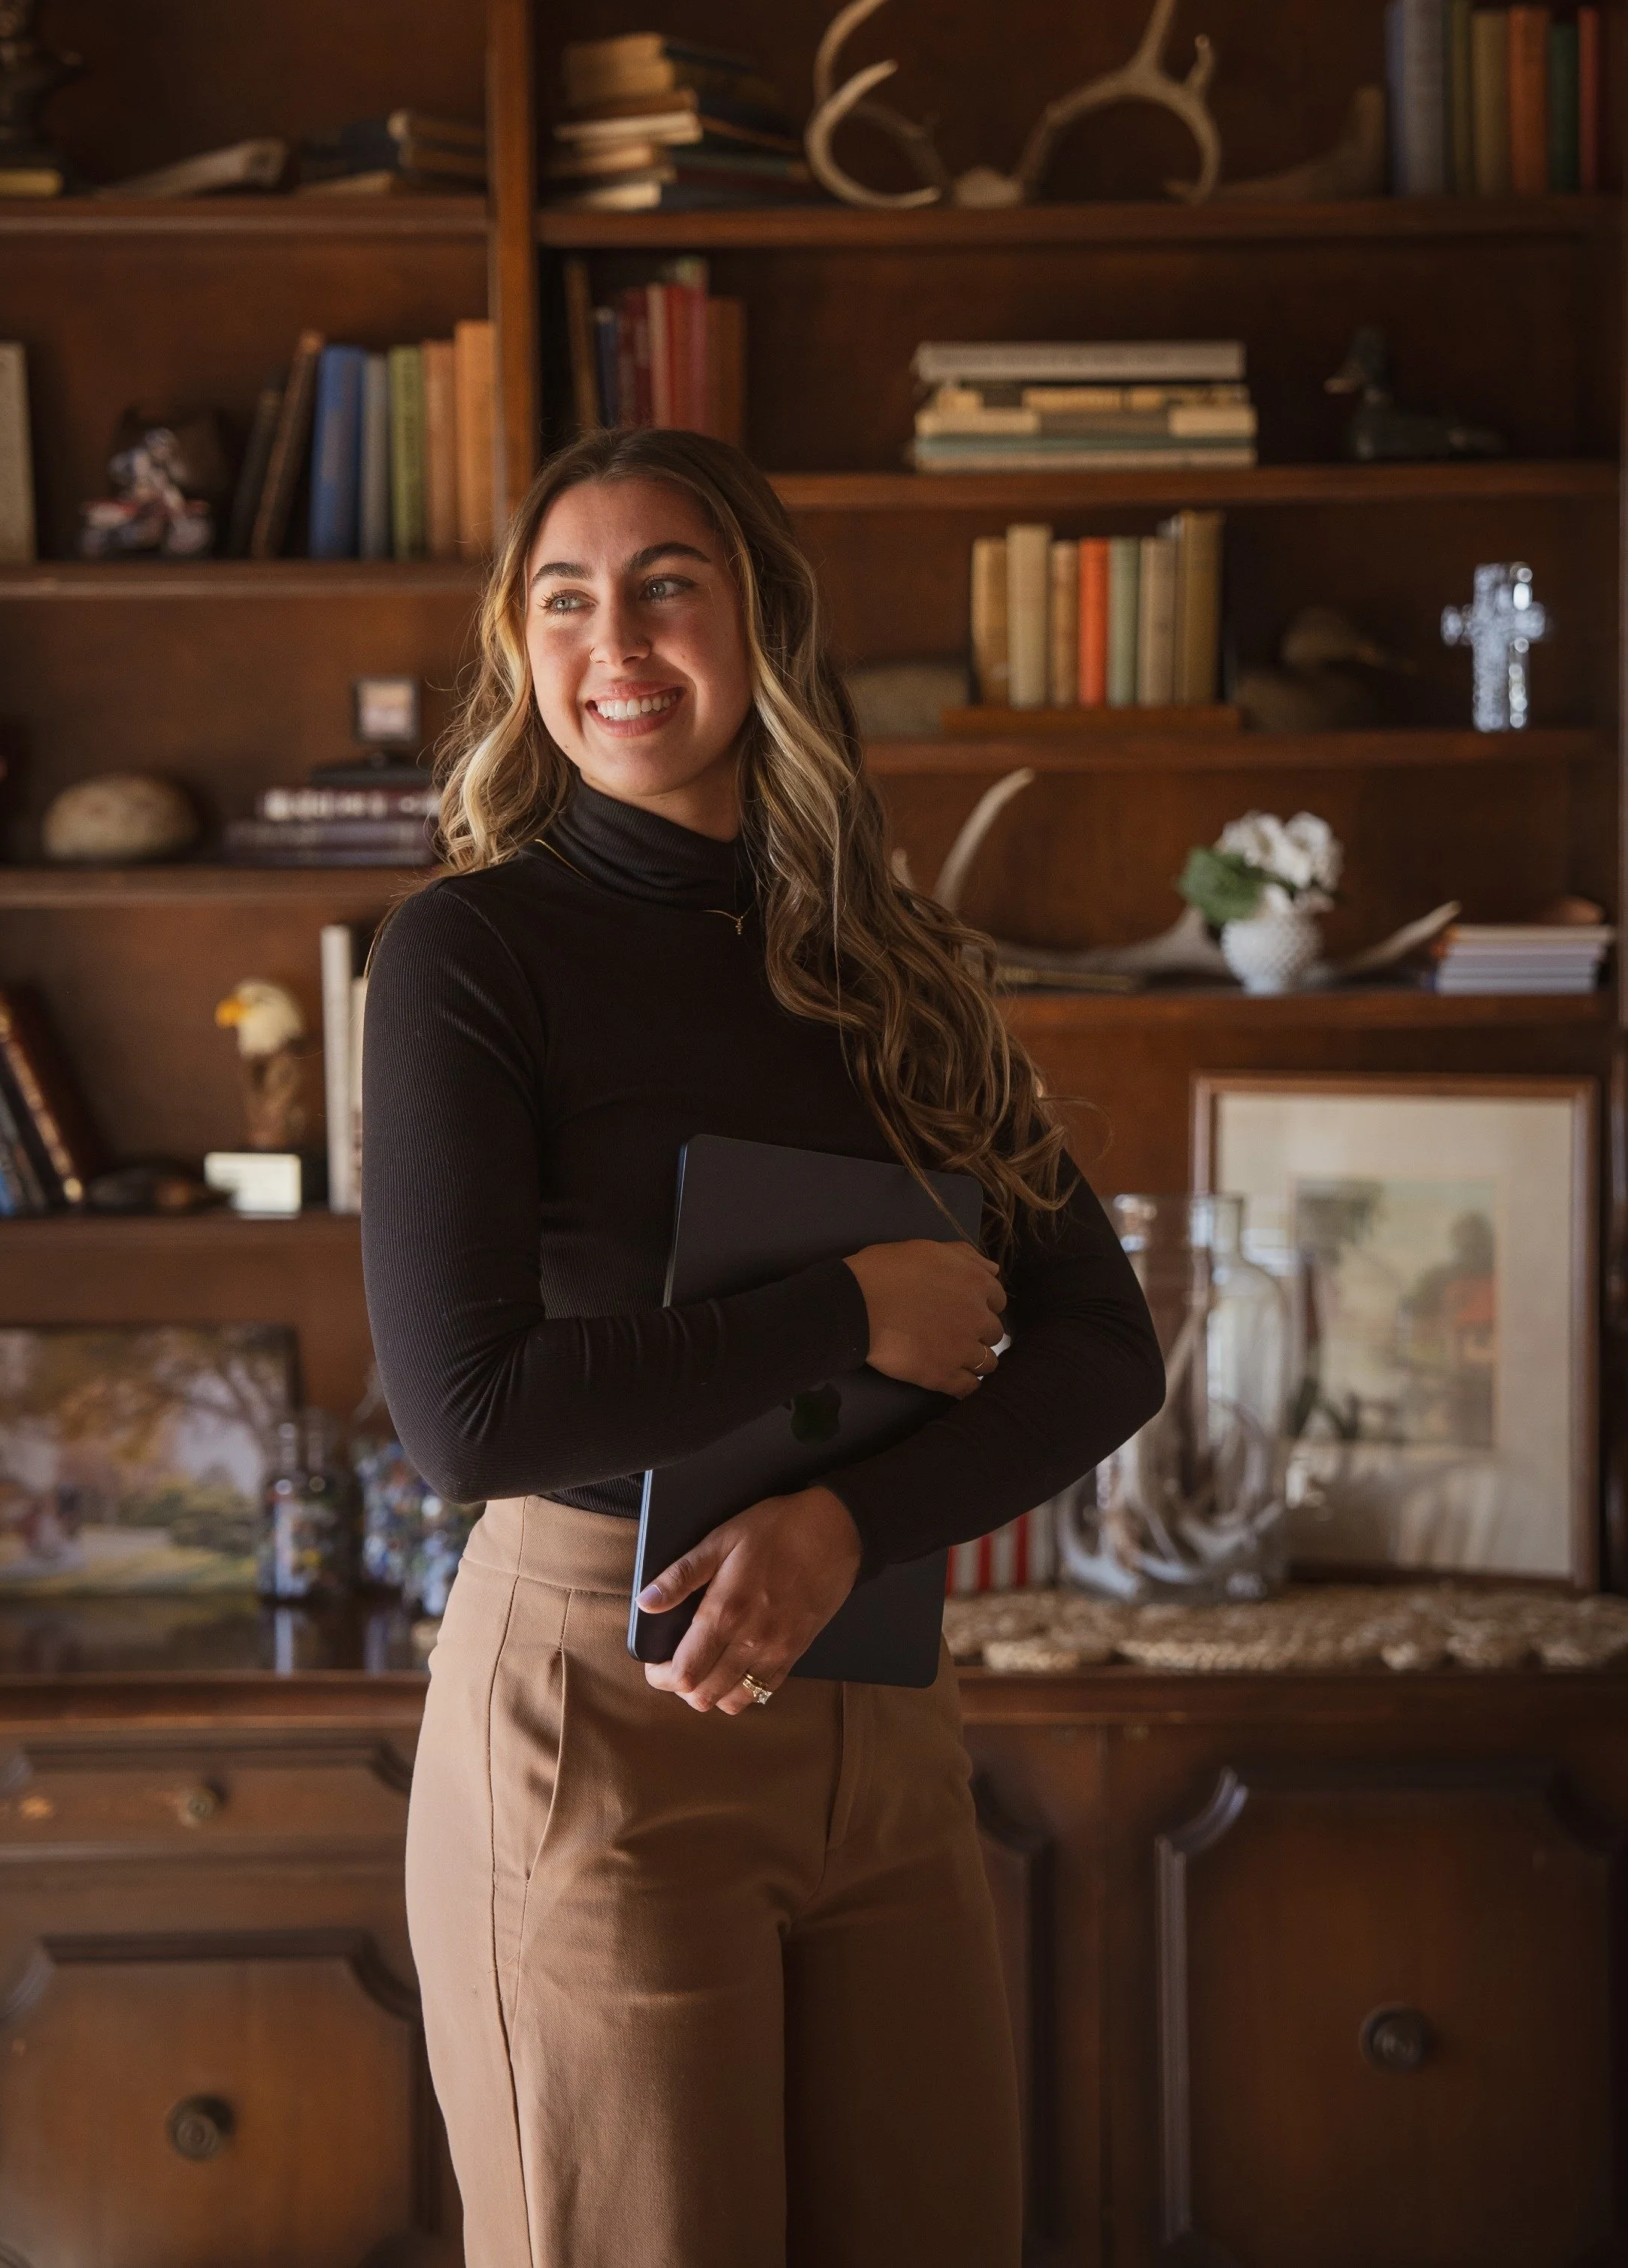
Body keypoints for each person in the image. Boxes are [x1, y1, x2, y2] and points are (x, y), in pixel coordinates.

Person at [362, 427, 1164, 2268]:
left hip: (880, 1703)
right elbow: (467, 1416)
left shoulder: (899, 967)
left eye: (667, 586)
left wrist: (844, 1527)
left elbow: (1102, 1346)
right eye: (565, 599)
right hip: (600, 1714)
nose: (615, 639)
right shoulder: (469, 953)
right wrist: (850, 1312)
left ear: (762, 626)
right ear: (520, 649)